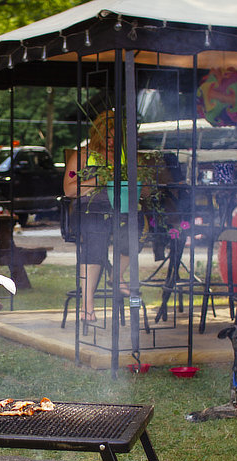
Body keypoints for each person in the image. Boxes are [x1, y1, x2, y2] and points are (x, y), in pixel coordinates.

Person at [62, 110, 155, 326]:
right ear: (98, 135)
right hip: (90, 210)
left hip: (120, 209)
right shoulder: (84, 156)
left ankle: (116, 275)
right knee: (95, 235)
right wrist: (101, 179)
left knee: (138, 225)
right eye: (108, 137)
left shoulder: (128, 157)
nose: (112, 142)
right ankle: (87, 306)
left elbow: (147, 191)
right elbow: (68, 190)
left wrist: (139, 181)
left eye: (117, 137)